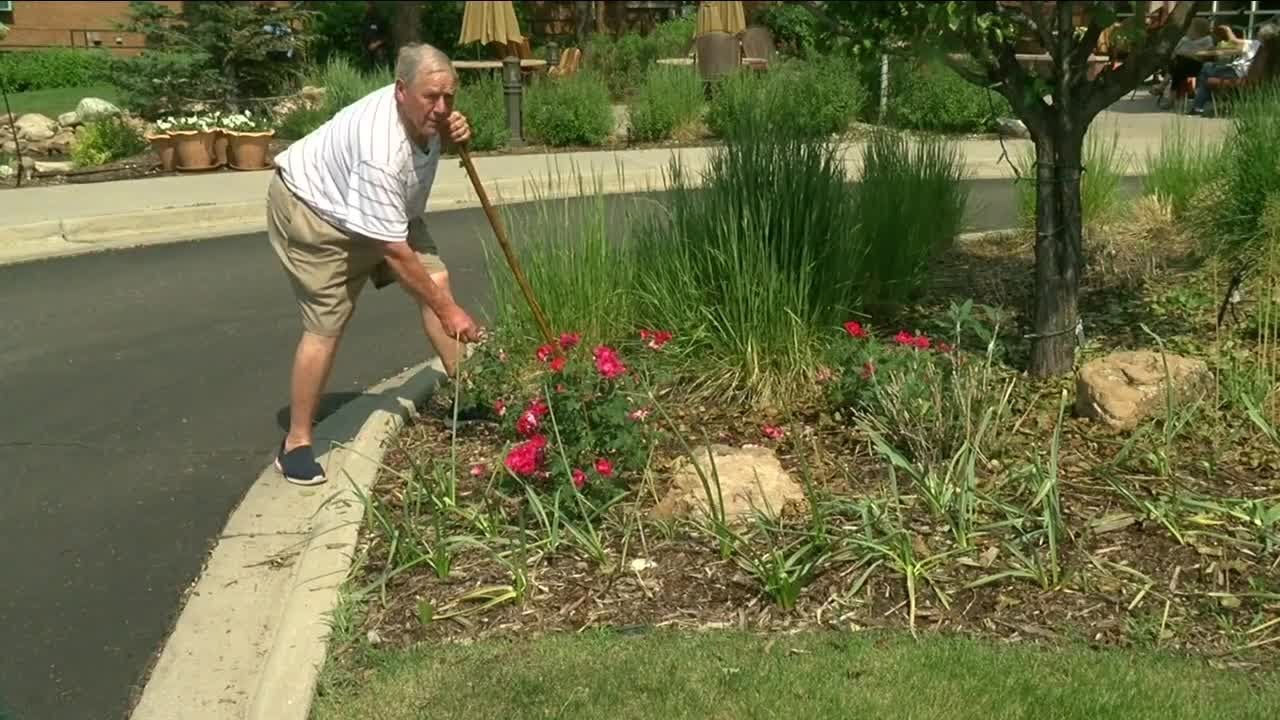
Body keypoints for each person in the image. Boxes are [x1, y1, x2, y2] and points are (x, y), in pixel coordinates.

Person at [266, 42, 482, 485]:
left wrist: (456, 130)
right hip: (318, 212)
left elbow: (397, 235)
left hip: (388, 209)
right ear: (400, 91)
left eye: (450, 98)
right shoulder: (379, 151)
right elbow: (394, 250)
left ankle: (472, 399)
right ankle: (297, 445)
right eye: (431, 98)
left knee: (437, 279)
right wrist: (449, 311)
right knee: (327, 324)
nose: (442, 107)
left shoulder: (428, 116)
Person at [1189, 23, 1277, 115]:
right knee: (1208, 72)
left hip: (1236, 73)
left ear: (1261, 36)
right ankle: (1201, 101)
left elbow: (1233, 41)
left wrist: (1227, 30)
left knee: (1207, 68)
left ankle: (1198, 103)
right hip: (1246, 78)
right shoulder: (1270, 52)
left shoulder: (1255, 44)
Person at [1156, 17, 1214, 108]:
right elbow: (1175, 51)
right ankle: (1169, 95)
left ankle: (1163, 88)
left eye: (1192, 26)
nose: (1190, 28)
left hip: (1196, 66)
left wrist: (1187, 54)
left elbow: (1207, 54)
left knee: (1178, 66)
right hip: (1180, 65)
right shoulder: (1185, 39)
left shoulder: (1207, 39)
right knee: (1178, 68)